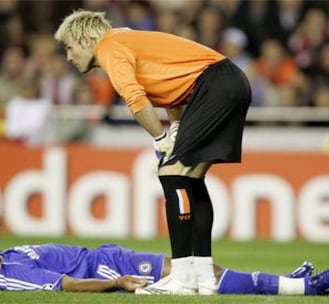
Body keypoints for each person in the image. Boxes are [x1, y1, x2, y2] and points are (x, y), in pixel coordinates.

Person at [53, 9, 252, 295]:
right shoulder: (124, 40)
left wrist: (160, 138)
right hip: (225, 82)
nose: (69, 57)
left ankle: (182, 276)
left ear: (86, 40)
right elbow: (174, 84)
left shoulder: (109, 47)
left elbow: (134, 98)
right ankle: (203, 277)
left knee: (172, 173)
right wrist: (174, 128)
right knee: (190, 179)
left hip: (215, 86)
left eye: (69, 48)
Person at [0, 208, 329, 296]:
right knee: (204, 273)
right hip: (108, 266)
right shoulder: (12, 276)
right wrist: (116, 282)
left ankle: (291, 282)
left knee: (203, 270)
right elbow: (66, 285)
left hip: (107, 255)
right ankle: (305, 289)